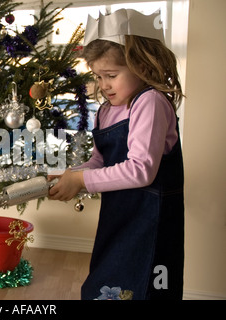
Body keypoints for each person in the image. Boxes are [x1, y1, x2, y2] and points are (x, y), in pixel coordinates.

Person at [49, 9, 185, 300]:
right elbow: (100, 161)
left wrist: (82, 180)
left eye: (111, 75)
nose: (103, 85)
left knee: (143, 287)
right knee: (106, 282)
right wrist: (70, 176)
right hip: (120, 216)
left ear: (142, 66)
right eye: (98, 76)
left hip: (151, 221)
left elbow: (140, 169)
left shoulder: (149, 103)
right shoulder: (107, 111)